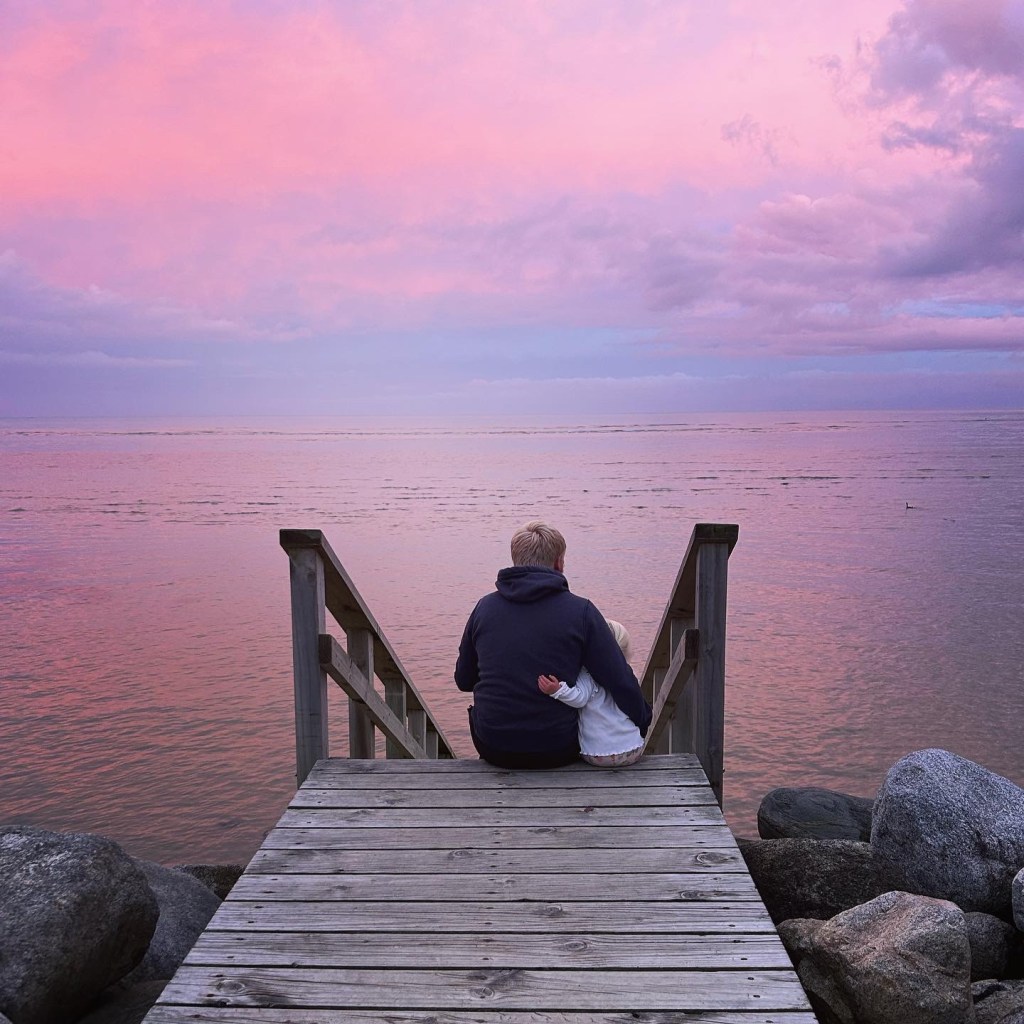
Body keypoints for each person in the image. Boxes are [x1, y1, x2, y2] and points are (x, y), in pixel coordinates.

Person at [455, 520, 652, 769]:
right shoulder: (581, 611)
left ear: (515, 560)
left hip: (492, 745)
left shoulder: (484, 609)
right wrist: (643, 720)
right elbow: (618, 679)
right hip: (558, 748)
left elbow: (464, 681)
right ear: (559, 562)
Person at [538, 619, 645, 767]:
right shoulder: (626, 676)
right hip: (634, 749)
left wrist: (557, 691)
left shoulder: (588, 674)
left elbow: (579, 699)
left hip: (599, 754)